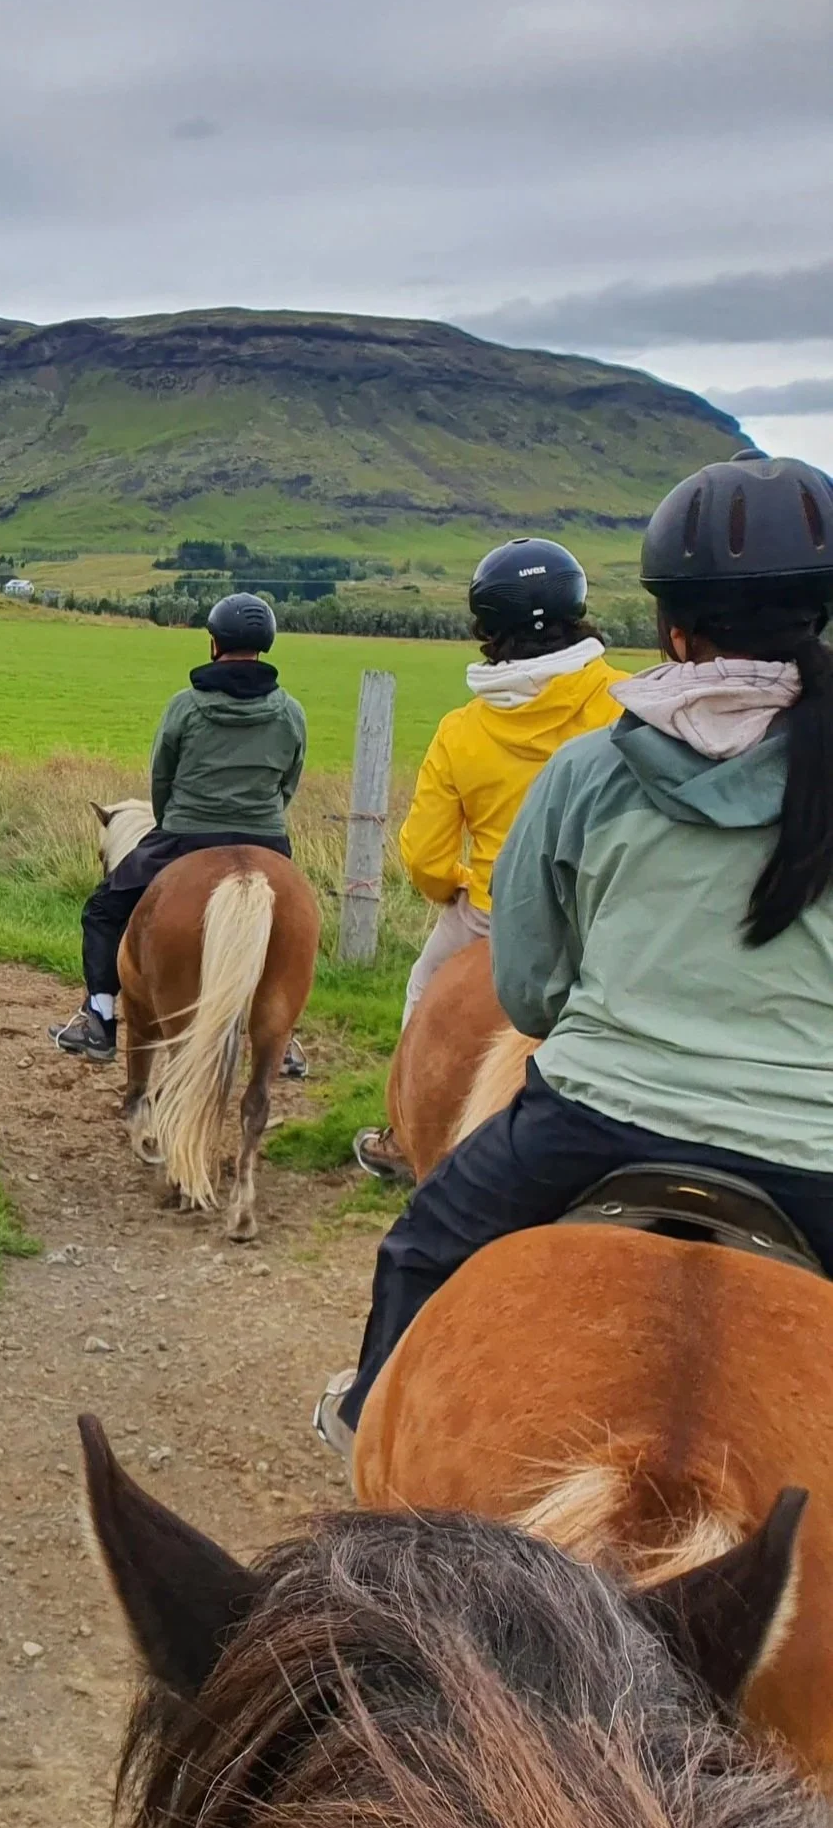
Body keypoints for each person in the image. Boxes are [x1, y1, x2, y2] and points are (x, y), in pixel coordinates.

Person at [316, 451, 833, 1458]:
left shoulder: (591, 769)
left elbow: (528, 989)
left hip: (596, 1117)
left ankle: (363, 1423)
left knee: (421, 1245)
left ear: (673, 628)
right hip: (813, 1144)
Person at [352, 540, 627, 1180]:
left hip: (495, 914)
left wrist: (454, 884)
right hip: (608, 909)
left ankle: (403, 1133)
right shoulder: (626, 700)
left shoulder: (461, 729)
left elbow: (426, 855)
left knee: (425, 987)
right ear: (575, 610)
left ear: (488, 628)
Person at [49, 593, 307, 1064]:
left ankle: (99, 1020)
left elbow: (161, 778)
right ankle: (284, 1035)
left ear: (214, 644)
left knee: (103, 910)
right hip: (267, 840)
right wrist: (260, 822)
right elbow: (289, 782)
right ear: (265, 646)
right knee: (292, 926)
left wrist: (170, 823)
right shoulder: (291, 712)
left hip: (187, 834)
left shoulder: (185, 708)